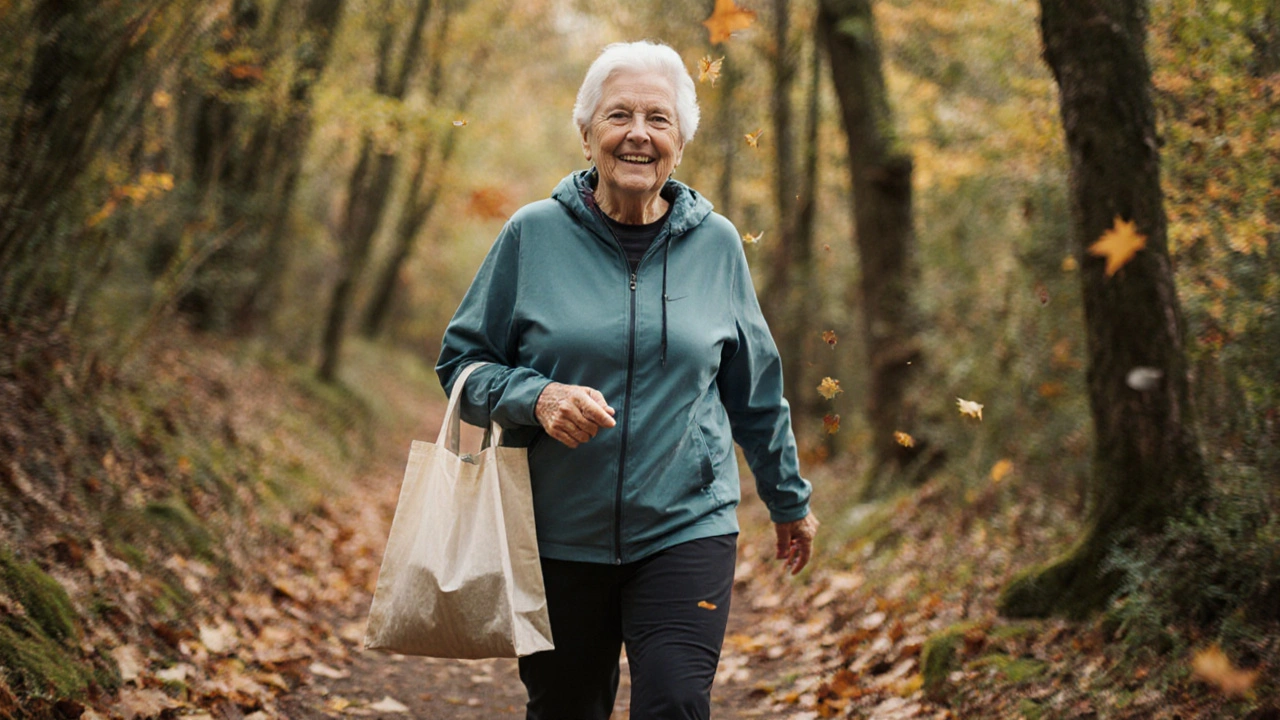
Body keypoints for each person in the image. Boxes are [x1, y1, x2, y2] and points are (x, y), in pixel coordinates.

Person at [436, 40, 819, 720]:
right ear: (587, 134)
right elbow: (462, 365)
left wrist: (787, 498)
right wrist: (537, 396)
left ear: (680, 143)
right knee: (565, 708)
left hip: (687, 525)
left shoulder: (718, 244)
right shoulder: (531, 235)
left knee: (676, 702)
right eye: (619, 115)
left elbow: (755, 391)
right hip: (555, 532)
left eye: (658, 118)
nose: (638, 133)